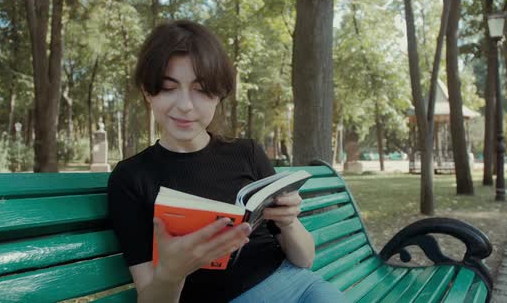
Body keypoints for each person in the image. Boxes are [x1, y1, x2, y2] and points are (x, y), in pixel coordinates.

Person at [107, 20, 344, 303]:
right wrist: (171, 274)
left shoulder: (247, 153)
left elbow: (304, 259)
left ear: (218, 95)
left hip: (299, 286)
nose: (185, 105)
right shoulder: (131, 178)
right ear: (148, 92)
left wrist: (290, 223)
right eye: (169, 88)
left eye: (201, 89)